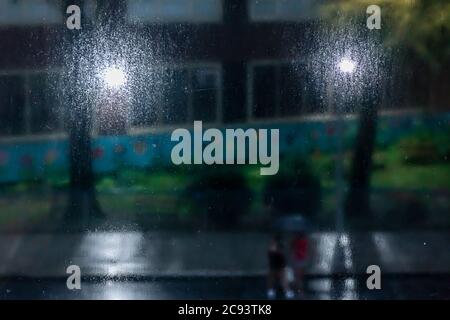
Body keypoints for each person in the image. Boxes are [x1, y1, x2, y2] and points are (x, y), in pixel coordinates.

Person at [267, 234, 295, 299]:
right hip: (275, 264)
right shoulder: (273, 246)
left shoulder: (278, 246)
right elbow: (271, 254)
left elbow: (281, 254)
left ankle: (286, 292)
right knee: (274, 278)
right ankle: (272, 291)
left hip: (278, 264)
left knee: (281, 279)